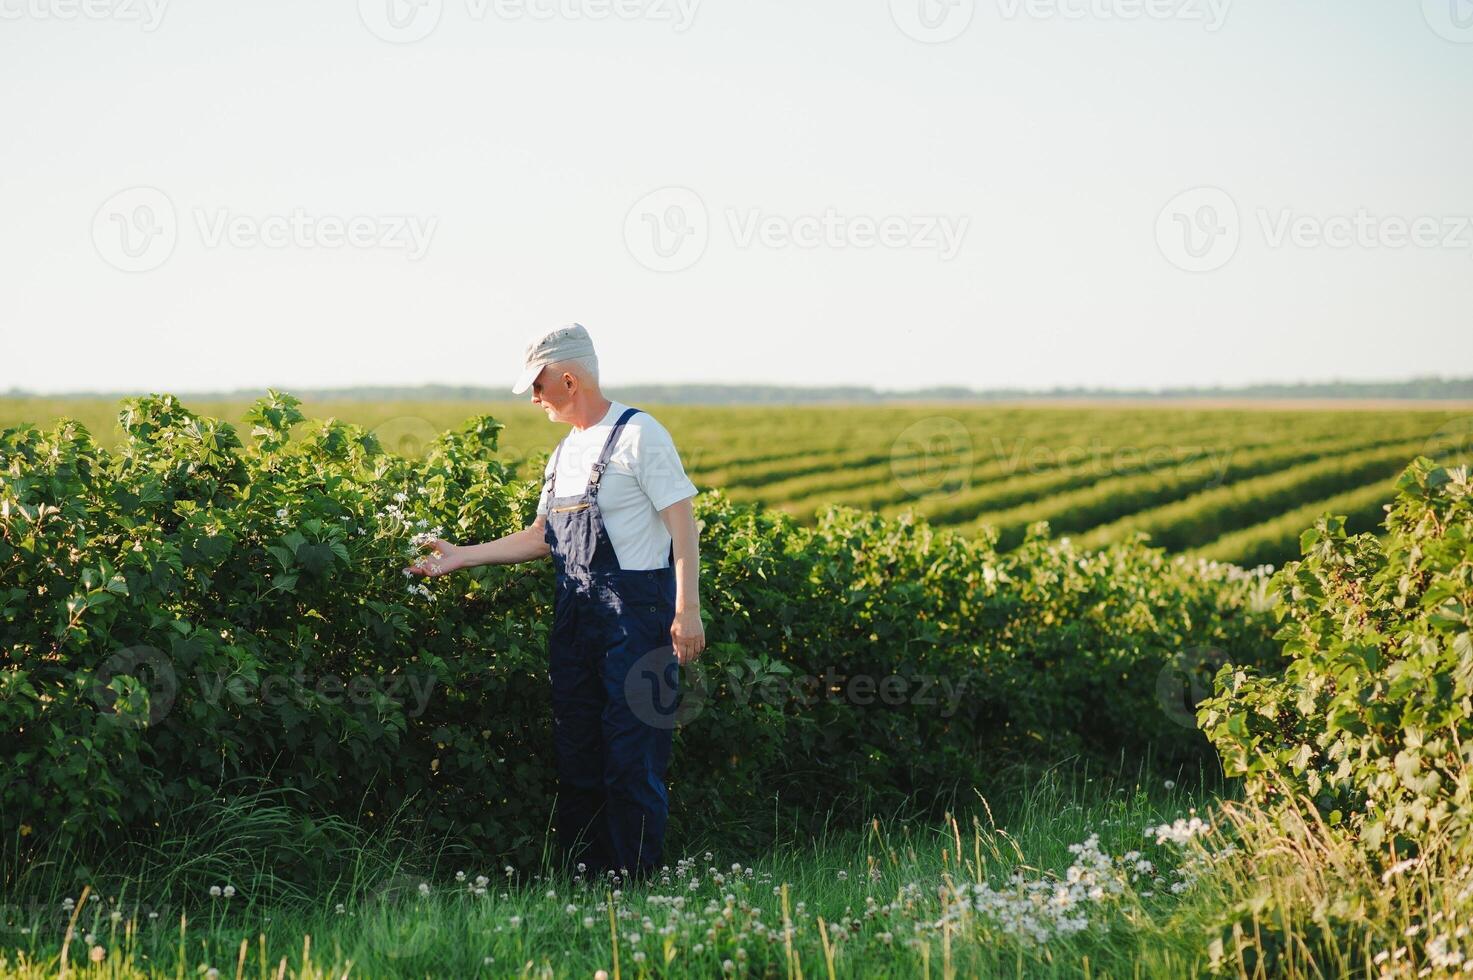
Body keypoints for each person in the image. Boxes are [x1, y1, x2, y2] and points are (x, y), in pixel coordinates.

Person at [404, 322, 705, 881]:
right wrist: (460, 555)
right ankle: (586, 885)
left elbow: (682, 524)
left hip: (637, 624)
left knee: (631, 761)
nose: (535, 398)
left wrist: (686, 609)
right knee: (580, 758)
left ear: (570, 378)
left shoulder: (640, 435)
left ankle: (636, 889)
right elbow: (544, 535)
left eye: (539, 386)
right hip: (577, 623)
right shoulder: (565, 452)